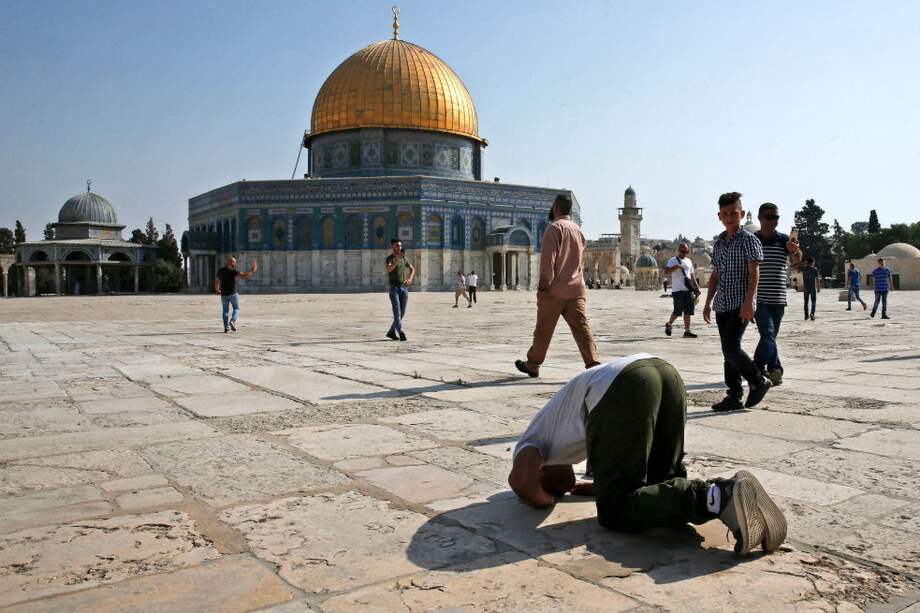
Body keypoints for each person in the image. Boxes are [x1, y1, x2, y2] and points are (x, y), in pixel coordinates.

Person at [507, 354, 787, 557]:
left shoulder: (533, 441)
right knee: (660, 489)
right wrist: (600, 485)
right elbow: (612, 452)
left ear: (541, 471)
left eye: (553, 487)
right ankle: (734, 502)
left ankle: (717, 495)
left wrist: (542, 500)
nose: (562, 490)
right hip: (663, 371)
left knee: (615, 511)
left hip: (625, 386)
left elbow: (522, 482)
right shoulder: (563, 434)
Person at [515, 194, 600, 377]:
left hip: (555, 291)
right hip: (576, 290)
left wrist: (543, 289)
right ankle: (593, 365)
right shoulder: (578, 231)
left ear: (555, 208)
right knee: (582, 327)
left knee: (544, 329)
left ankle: (533, 364)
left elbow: (548, 263)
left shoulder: (554, 229)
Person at [703, 192, 771, 412]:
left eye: (734, 213)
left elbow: (754, 272)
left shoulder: (749, 240)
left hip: (740, 303)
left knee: (731, 348)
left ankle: (758, 380)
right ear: (719, 216)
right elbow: (715, 274)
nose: (730, 217)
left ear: (741, 214)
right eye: (725, 214)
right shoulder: (719, 243)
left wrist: (749, 302)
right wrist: (707, 302)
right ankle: (734, 395)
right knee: (727, 351)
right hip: (722, 303)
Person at [752, 203, 801, 386]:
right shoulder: (752, 240)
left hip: (779, 297)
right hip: (760, 297)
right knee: (768, 333)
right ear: (760, 218)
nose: (773, 221)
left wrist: (794, 250)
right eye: (769, 217)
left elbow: (797, 261)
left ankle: (755, 368)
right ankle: (775, 368)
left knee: (770, 337)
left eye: (776, 217)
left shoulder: (783, 240)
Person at [664, 243, 699, 338]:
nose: (684, 253)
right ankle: (669, 324)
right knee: (677, 311)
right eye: (683, 251)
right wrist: (677, 267)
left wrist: (697, 287)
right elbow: (666, 272)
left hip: (688, 290)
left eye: (686, 252)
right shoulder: (673, 260)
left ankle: (687, 331)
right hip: (678, 290)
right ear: (679, 251)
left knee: (688, 311)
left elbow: (692, 275)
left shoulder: (689, 261)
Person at [214, 257, 257, 333]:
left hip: (224, 294)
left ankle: (226, 327)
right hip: (233, 293)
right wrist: (252, 270)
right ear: (231, 262)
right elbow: (244, 276)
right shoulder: (233, 271)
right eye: (234, 262)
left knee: (225, 311)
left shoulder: (220, 271)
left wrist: (217, 290)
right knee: (236, 308)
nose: (235, 264)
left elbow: (217, 281)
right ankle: (233, 321)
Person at [385, 238, 415, 341]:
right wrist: (396, 261)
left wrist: (410, 278)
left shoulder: (404, 259)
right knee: (397, 312)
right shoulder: (390, 258)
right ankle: (400, 331)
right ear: (392, 246)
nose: (399, 247)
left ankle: (391, 332)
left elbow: (412, 268)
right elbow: (389, 269)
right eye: (397, 245)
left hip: (404, 288)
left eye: (400, 246)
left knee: (402, 312)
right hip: (394, 289)